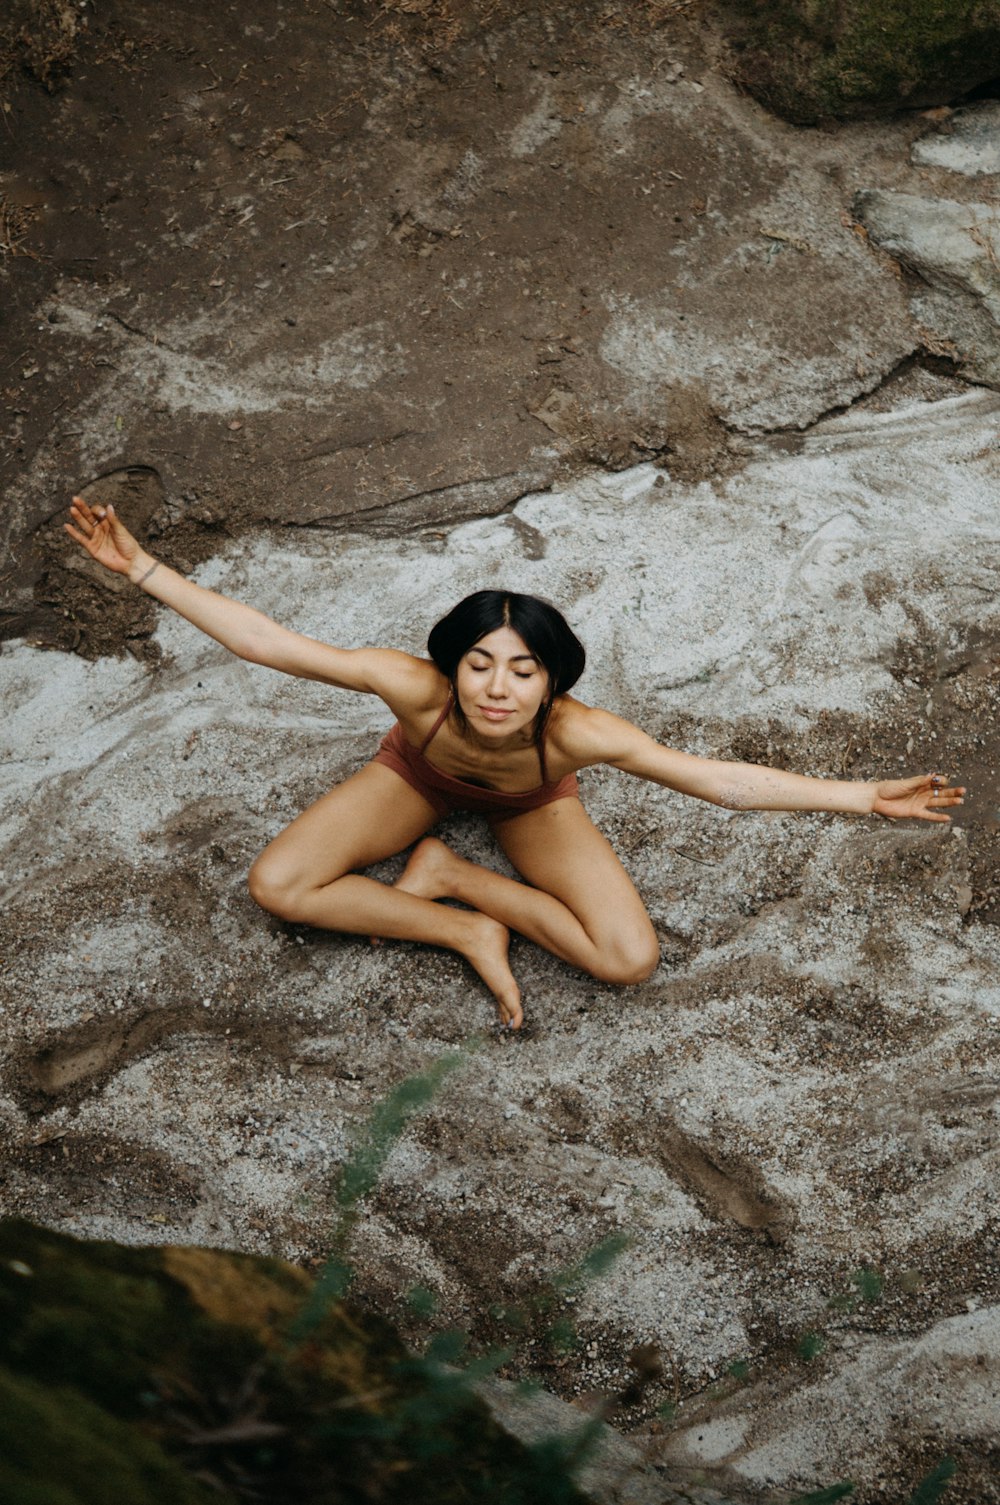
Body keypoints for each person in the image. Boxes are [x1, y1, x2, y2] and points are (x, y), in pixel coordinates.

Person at [65, 495, 965, 1030]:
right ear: (453, 666)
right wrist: (144, 570)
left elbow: (717, 779)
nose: (498, 688)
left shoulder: (578, 733)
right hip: (415, 780)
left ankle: (457, 874)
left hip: (533, 803)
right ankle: (461, 925)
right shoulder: (412, 692)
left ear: (551, 679)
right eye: (480, 664)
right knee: (280, 884)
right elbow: (270, 643)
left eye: (522, 670)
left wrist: (861, 798)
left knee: (627, 958)